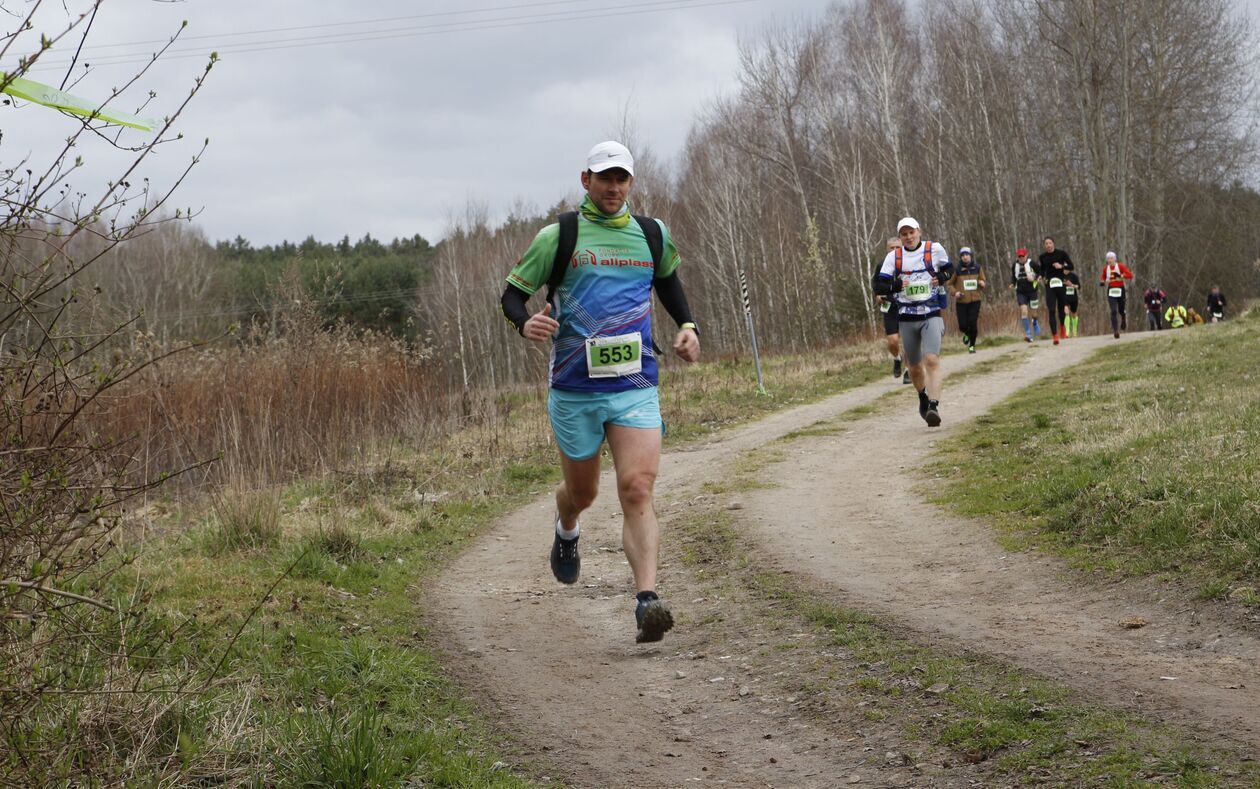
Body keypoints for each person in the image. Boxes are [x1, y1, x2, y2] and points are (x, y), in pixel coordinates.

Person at [500, 140, 699, 644]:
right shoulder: (559, 236)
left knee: (637, 488)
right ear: (586, 179)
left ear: (631, 182)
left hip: (635, 383)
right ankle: (566, 525)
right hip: (575, 389)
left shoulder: (651, 234)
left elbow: (669, 282)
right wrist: (525, 323)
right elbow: (513, 295)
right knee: (583, 493)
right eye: (605, 178)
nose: (614, 187)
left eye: (621, 178)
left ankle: (647, 600)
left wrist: (688, 325)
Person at [873, 216, 953, 427]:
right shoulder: (894, 257)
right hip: (907, 317)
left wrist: (942, 278)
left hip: (931, 312)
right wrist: (896, 286)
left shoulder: (934, 249)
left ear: (919, 231)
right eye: (904, 234)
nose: (909, 237)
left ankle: (934, 406)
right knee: (915, 368)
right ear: (900, 236)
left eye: (912, 232)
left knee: (932, 360)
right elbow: (880, 286)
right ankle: (923, 397)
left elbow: (950, 270)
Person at [877, 237, 911, 384]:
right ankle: (897, 359)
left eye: (898, 247)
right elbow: (877, 286)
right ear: (887, 249)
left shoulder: (910, 262)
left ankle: (908, 371)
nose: (895, 250)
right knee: (893, 341)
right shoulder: (882, 265)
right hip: (890, 306)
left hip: (908, 305)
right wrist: (878, 296)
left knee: (909, 341)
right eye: (892, 248)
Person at [1038, 236, 1074, 345]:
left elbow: (1071, 266)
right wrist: (1041, 276)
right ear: (1044, 246)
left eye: (1050, 243)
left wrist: (1061, 266)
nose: (1048, 245)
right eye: (1046, 244)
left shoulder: (1061, 254)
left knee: (1061, 309)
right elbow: (1042, 270)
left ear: (1053, 244)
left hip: (1061, 284)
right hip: (1050, 285)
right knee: (1051, 310)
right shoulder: (1042, 257)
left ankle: (1062, 327)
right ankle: (1055, 336)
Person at [949, 246, 985, 353]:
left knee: (972, 322)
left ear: (970, 256)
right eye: (963, 255)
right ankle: (967, 334)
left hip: (975, 301)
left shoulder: (978, 268)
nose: (965, 257)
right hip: (962, 301)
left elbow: (983, 280)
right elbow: (950, 284)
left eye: (967, 255)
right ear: (961, 257)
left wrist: (982, 283)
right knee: (963, 326)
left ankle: (972, 346)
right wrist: (955, 293)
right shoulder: (957, 270)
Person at [1098, 251, 1134, 339]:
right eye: (1108, 259)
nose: (1109, 260)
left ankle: (1123, 317)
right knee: (1113, 311)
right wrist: (1102, 281)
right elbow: (1103, 277)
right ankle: (1116, 331)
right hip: (1111, 290)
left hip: (1120, 290)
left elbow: (1130, 275)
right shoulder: (1106, 268)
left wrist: (1122, 276)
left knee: (1121, 309)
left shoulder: (1120, 266)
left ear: (1115, 259)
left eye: (1111, 258)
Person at [1010, 247, 1042, 342]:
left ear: (1026, 255)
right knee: (1024, 311)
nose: (1021, 258)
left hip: (1032, 290)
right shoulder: (1015, 265)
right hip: (1021, 291)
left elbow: (1041, 272)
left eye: (1022, 256)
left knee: (1034, 313)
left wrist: (1034, 278)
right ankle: (1028, 334)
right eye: (1019, 256)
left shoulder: (1032, 263)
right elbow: (1014, 276)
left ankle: (1035, 322)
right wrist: (1012, 283)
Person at [1061, 268, 1082, 337]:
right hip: (1064, 297)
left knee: (1074, 313)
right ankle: (1067, 332)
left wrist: (1072, 285)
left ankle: (1074, 331)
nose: (1066, 269)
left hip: (1073, 297)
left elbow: (1079, 287)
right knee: (1066, 312)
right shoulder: (1060, 275)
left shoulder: (1074, 276)